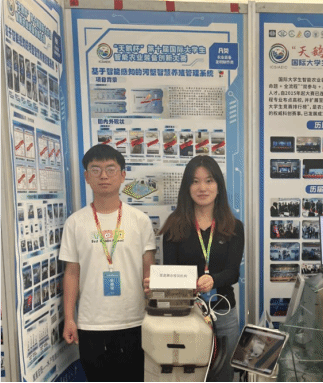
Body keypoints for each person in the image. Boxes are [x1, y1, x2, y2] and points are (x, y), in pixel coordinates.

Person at [59, 144, 156, 382]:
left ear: (122, 175)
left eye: (110, 169)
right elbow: (71, 273)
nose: (103, 176)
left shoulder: (140, 221)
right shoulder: (75, 223)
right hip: (91, 324)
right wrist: (69, 318)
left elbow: (149, 271)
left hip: (133, 321)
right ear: (86, 176)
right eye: (96, 169)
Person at [144, 155, 244, 382]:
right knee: (188, 375)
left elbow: (233, 273)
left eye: (209, 181)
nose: (202, 188)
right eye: (195, 181)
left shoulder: (234, 227)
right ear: (187, 187)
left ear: (218, 186)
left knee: (224, 376)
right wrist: (159, 286)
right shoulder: (175, 225)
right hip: (186, 313)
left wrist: (213, 280)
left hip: (223, 312)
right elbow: (171, 272)